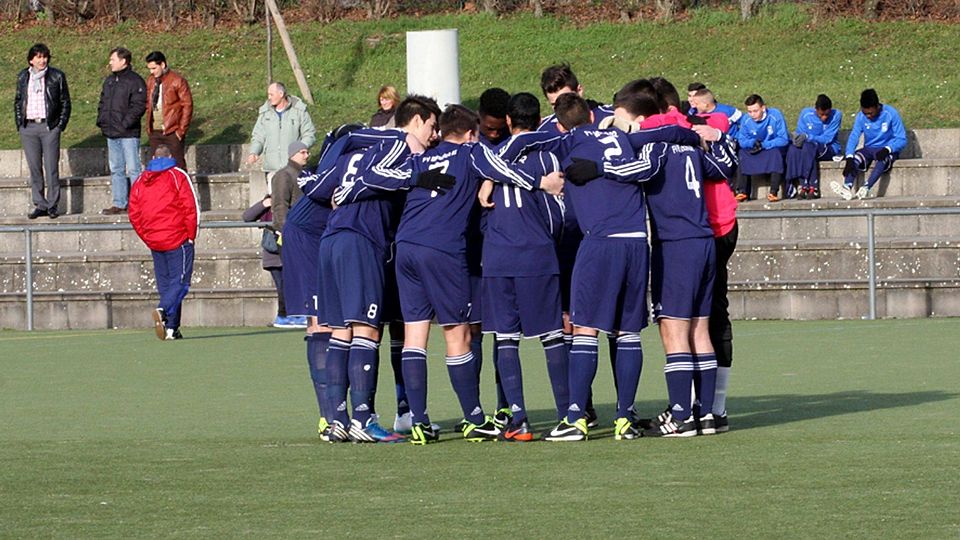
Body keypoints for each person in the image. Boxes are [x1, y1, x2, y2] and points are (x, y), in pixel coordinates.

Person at [477, 92, 570, 440]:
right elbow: (559, 213)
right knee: (551, 336)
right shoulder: (548, 155)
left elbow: (487, 174)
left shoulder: (492, 156)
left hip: (499, 257)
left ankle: (519, 419)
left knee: (506, 338)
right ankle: (567, 414)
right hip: (538, 255)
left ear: (509, 122)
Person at [128, 145, 200, 341]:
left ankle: (171, 328)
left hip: (155, 240)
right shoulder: (178, 175)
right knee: (181, 282)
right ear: (170, 156)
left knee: (167, 285)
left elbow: (134, 213)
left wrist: (147, 236)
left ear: (153, 157)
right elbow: (190, 206)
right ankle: (163, 310)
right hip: (177, 238)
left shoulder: (141, 180)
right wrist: (191, 235)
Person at [14, 43, 70, 220]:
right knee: (34, 168)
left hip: (49, 127)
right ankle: (40, 204)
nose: (42, 60)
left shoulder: (56, 76)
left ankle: (53, 204)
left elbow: (65, 102)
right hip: (29, 127)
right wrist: (19, 123)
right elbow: (18, 100)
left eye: (45, 56)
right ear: (31, 60)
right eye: (38, 57)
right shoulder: (23, 76)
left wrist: (59, 125)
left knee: (51, 167)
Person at [830, 88, 907, 200]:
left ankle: (866, 188)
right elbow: (854, 136)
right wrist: (849, 156)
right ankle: (847, 187)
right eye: (865, 113)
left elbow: (902, 139)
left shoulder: (891, 114)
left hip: (886, 149)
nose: (868, 116)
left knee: (883, 159)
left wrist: (888, 149)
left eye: (870, 113)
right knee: (856, 158)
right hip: (869, 149)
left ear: (877, 106)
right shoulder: (861, 117)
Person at [96, 47, 147, 215]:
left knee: (133, 169)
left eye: (113, 59)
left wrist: (125, 124)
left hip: (128, 133)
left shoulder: (135, 81)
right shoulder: (109, 81)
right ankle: (119, 202)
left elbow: (138, 106)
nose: (110, 63)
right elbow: (103, 102)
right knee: (116, 168)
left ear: (123, 61)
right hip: (112, 132)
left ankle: (138, 203)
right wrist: (102, 121)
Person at [245, 82, 317, 194]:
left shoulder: (299, 111)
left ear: (281, 94)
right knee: (275, 203)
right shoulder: (265, 113)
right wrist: (254, 152)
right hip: (272, 168)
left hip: (293, 168)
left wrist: (300, 149)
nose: (269, 97)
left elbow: (309, 134)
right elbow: (258, 135)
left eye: (271, 94)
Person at [785, 94, 841, 199]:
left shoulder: (836, 115)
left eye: (827, 114)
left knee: (809, 148)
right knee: (794, 149)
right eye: (821, 115)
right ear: (816, 110)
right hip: (809, 148)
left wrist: (808, 137)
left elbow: (827, 139)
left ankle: (812, 186)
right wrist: (798, 139)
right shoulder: (805, 114)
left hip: (829, 148)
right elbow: (800, 134)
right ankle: (798, 185)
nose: (824, 117)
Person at [735, 94, 789, 202]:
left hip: (771, 148)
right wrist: (752, 143)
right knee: (742, 153)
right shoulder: (746, 120)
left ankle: (773, 192)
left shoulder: (775, 115)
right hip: (756, 149)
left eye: (755, 111)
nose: (752, 114)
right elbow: (742, 140)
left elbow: (783, 139)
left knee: (775, 154)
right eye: (750, 111)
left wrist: (765, 145)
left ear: (763, 108)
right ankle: (743, 191)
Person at [144, 51, 193, 171]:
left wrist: (181, 131)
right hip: (155, 131)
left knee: (178, 166)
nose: (152, 72)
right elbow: (147, 103)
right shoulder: (150, 81)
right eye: (150, 69)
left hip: (172, 130)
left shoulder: (177, 81)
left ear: (163, 65)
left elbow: (187, 105)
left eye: (154, 68)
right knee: (155, 167)